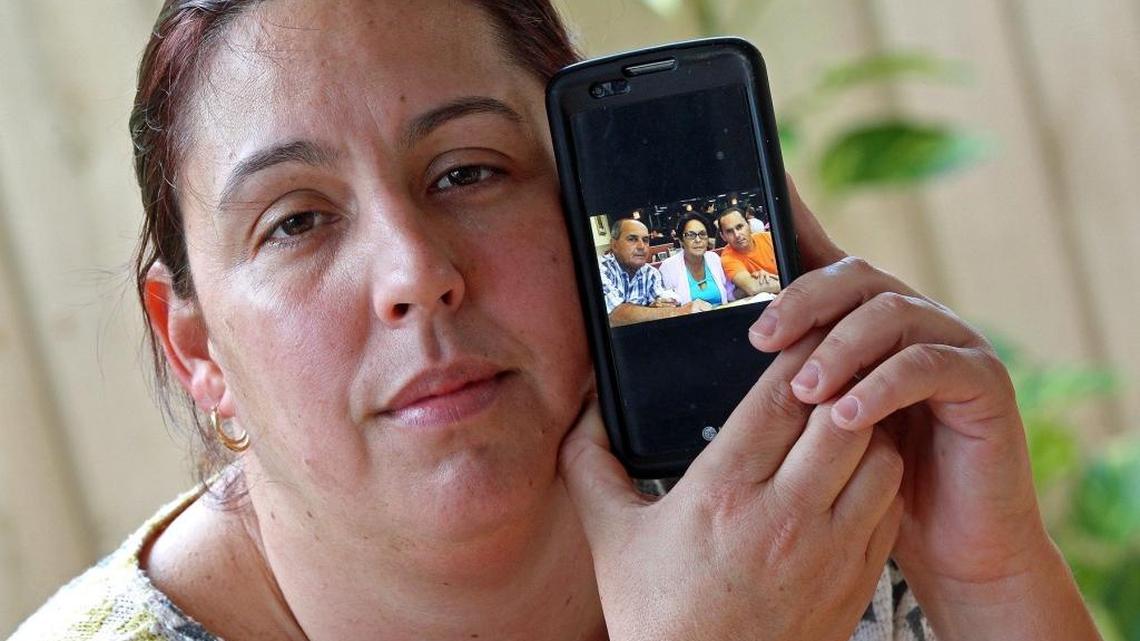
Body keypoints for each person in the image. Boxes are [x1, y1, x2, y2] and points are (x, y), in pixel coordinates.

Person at [10, 1, 1101, 640]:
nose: (416, 273)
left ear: (585, 203)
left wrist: (991, 580)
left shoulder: (792, 521)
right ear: (195, 349)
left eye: (469, 170)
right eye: (296, 221)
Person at [600, 218, 712, 326]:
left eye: (645, 240)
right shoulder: (601, 268)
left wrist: (665, 303)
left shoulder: (650, 273)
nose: (641, 246)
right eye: (632, 239)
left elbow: (664, 301)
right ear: (614, 245)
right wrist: (681, 312)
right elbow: (613, 315)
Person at [658, 213, 732, 305]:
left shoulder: (714, 258)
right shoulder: (669, 267)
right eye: (690, 235)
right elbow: (669, 305)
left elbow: (729, 293)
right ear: (681, 240)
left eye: (702, 234)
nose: (698, 240)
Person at [719, 206, 781, 297]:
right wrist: (788, 281)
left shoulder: (769, 238)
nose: (737, 235)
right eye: (729, 231)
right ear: (723, 236)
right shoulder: (727, 257)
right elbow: (752, 287)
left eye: (739, 227)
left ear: (749, 225)